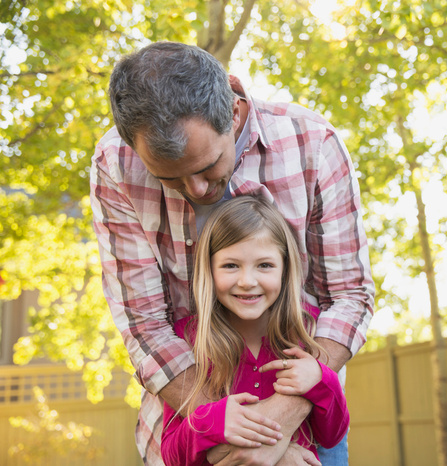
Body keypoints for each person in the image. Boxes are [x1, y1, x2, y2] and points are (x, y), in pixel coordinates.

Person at [90, 41, 374, 465]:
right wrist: (220, 432)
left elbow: (350, 295)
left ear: (235, 112)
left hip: (305, 433)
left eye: (208, 167)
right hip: (188, 423)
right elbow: (145, 324)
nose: (197, 191)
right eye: (170, 179)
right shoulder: (115, 163)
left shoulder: (313, 142)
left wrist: (276, 429)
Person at [160, 195, 349, 465]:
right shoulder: (188, 339)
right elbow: (171, 456)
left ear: (284, 269)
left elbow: (332, 436)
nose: (247, 281)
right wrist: (216, 421)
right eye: (230, 265)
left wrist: (321, 380)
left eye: (264, 265)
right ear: (209, 269)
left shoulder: (309, 331)